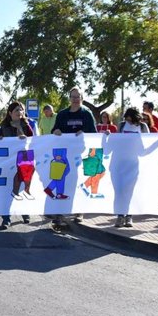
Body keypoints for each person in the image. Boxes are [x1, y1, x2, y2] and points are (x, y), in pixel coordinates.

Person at [51, 87, 97, 225]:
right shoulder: (62, 114)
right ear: (69, 98)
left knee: (78, 183)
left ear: (82, 98)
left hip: (80, 154)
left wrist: (84, 132)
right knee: (62, 181)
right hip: (64, 154)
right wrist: (56, 131)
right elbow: (54, 130)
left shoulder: (87, 114)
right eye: (73, 97)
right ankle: (60, 212)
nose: (76, 99)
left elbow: (94, 133)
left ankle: (79, 211)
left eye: (78, 97)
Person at [0, 102, 33, 229]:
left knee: (23, 186)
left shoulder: (27, 125)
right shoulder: (3, 126)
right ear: (10, 113)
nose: (20, 112)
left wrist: (25, 135)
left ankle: (24, 212)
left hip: (25, 158)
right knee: (8, 189)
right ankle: (6, 218)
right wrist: (0, 139)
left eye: (22, 110)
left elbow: (34, 140)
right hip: (9, 159)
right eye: (17, 110)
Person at [114, 107, 149, 227]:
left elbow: (148, 141)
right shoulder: (122, 125)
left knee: (130, 190)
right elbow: (117, 140)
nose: (128, 122)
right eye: (126, 119)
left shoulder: (143, 126)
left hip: (134, 162)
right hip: (121, 161)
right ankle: (120, 215)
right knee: (120, 190)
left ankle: (129, 216)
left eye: (130, 120)